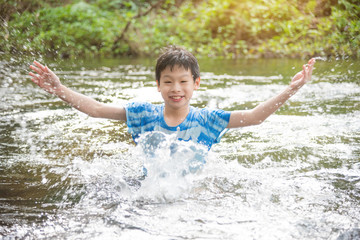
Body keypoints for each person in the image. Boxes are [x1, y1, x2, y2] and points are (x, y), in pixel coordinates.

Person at [29, 46, 315, 152]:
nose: (175, 88)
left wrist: (291, 89)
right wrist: (60, 89)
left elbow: (255, 117)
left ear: (196, 84)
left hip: (190, 191)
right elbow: (98, 110)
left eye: (182, 81)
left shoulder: (208, 119)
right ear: (158, 85)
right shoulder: (142, 114)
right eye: (168, 81)